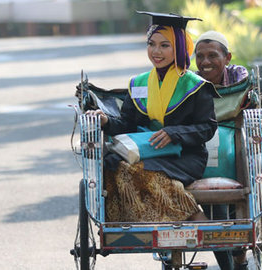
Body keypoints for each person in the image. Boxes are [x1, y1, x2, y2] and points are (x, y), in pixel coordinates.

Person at [85, 11, 218, 223]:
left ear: (180, 48)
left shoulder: (196, 86)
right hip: (146, 150)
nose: (156, 51)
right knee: (111, 167)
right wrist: (106, 121)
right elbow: (127, 124)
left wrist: (174, 133)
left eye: (165, 45)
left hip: (185, 156)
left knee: (137, 171)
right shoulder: (138, 84)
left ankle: (194, 215)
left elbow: (207, 128)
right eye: (151, 43)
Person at [195, 30, 253, 270]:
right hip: (205, 152)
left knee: (234, 209)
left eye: (212, 55)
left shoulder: (238, 76)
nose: (206, 62)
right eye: (200, 56)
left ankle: (238, 259)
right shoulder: (192, 82)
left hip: (234, 147)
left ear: (227, 57)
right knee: (216, 208)